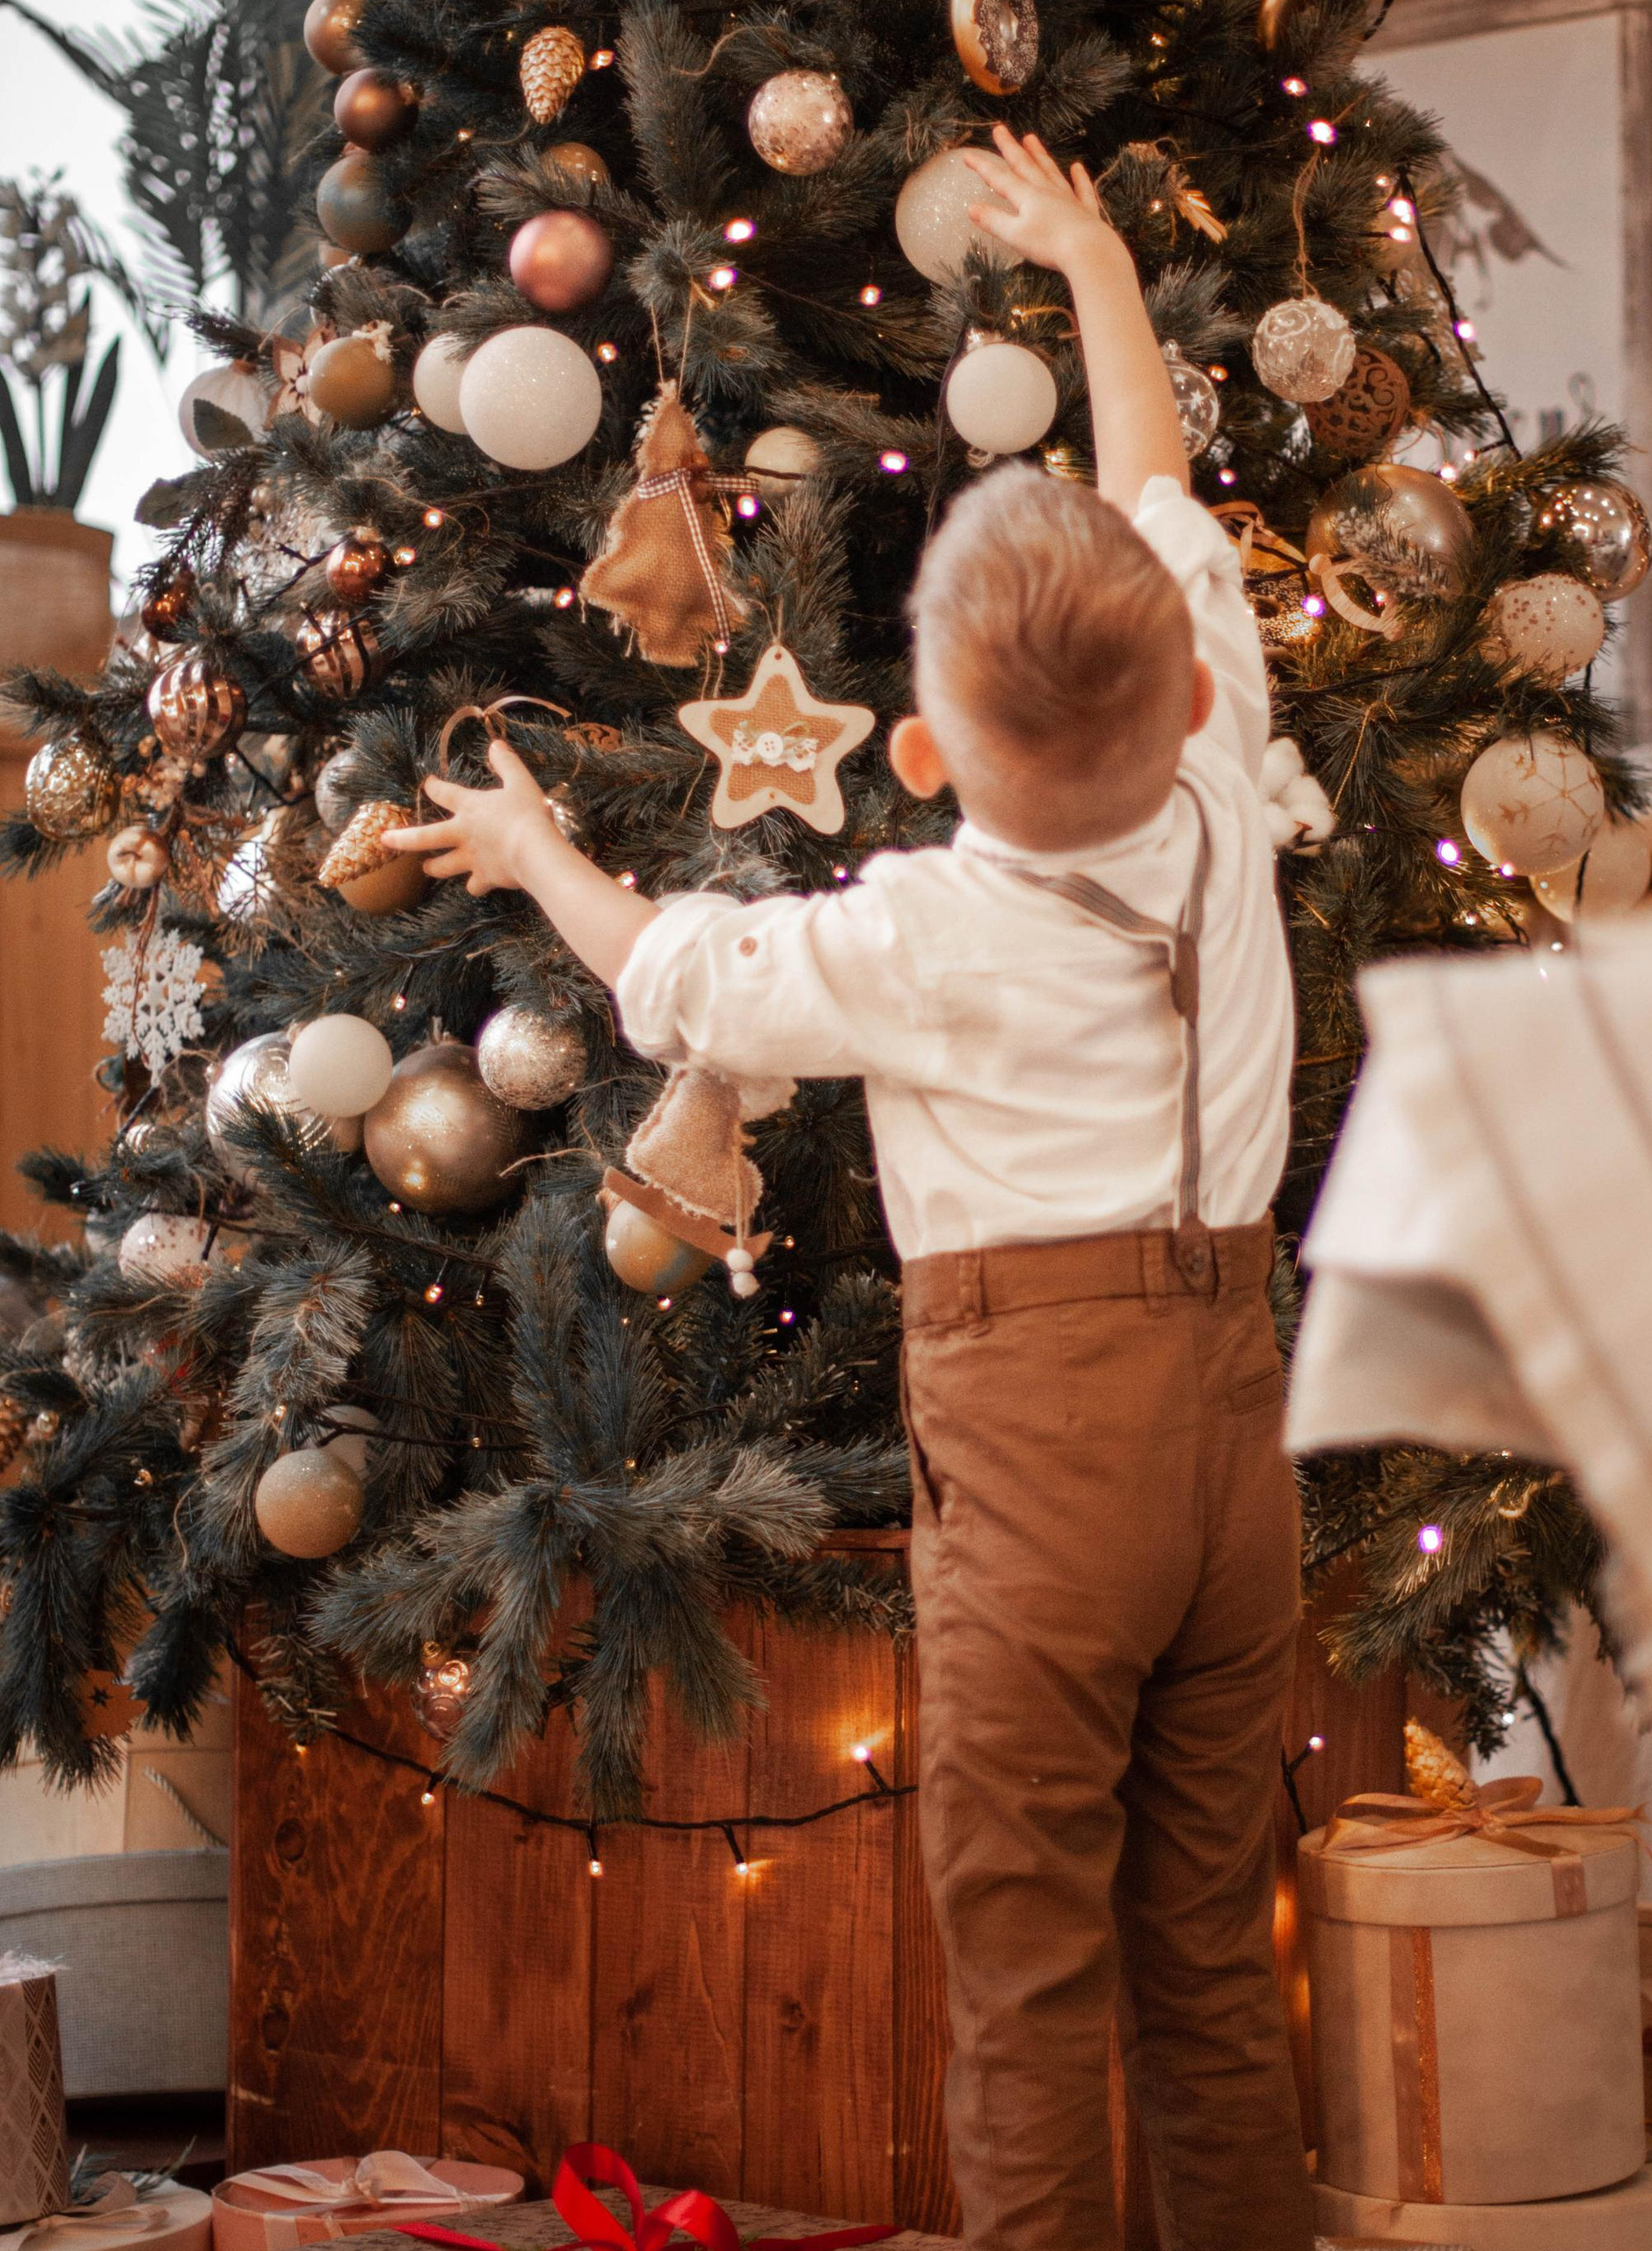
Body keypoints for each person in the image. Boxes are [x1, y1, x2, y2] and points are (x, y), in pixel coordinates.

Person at [389, 126, 1315, 2251]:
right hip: (1231, 1435)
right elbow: (1161, 492)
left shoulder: (914, 929)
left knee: (1023, 1980)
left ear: (919, 749)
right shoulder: (1214, 776)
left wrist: (538, 851)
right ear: (1185, 681)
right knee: (1203, 1961)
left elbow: (675, 973)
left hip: (1044, 1476)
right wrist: (1090, 262)